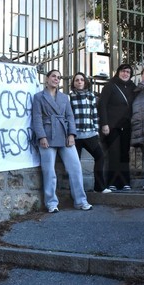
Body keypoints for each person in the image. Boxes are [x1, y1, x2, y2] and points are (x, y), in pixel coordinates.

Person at [31, 69, 92, 213]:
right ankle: (51, 203)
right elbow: (37, 118)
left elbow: (70, 117)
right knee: (49, 171)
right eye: (53, 76)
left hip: (64, 135)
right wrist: (41, 137)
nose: (56, 79)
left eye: (58, 77)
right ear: (47, 78)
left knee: (76, 167)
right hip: (47, 134)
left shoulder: (64, 97)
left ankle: (81, 200)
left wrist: (72, 134)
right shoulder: (39, 97)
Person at [98, 63, 136, 192]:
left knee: (124, 154)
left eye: (128, 72)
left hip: (127, 126)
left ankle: (125, 182)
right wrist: (104, 124)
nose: (125, 74)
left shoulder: (133, 87)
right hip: (112, 126)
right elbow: (102, 104)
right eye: (123, 71)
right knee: (114, 154)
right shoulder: (110, 86)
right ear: (118, 72)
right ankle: (112, 182)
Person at [69, 72, 110, 194]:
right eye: (77, 80)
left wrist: (96, 131)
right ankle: (76, 191)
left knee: (100, 156)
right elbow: (68, 117)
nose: (79, 82)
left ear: (85, 82)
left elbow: (95, 116)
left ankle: (99, 187)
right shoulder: (69, 97)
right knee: (75, 164)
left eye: (82, 79)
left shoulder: (91, 96)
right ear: (74, 83)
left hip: (90, 134)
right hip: (75, 136)